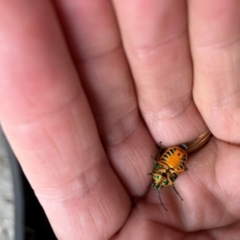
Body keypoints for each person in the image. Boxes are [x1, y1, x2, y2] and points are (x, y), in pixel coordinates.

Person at [0, 1, 240, 239]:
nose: (157, 181)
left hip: (176, 157)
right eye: (158, 180)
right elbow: (172, 167)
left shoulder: (163, 174)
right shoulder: (164, 175)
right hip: (176, 157)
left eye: (158, 179)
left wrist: (169, 162)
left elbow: (172, 166)